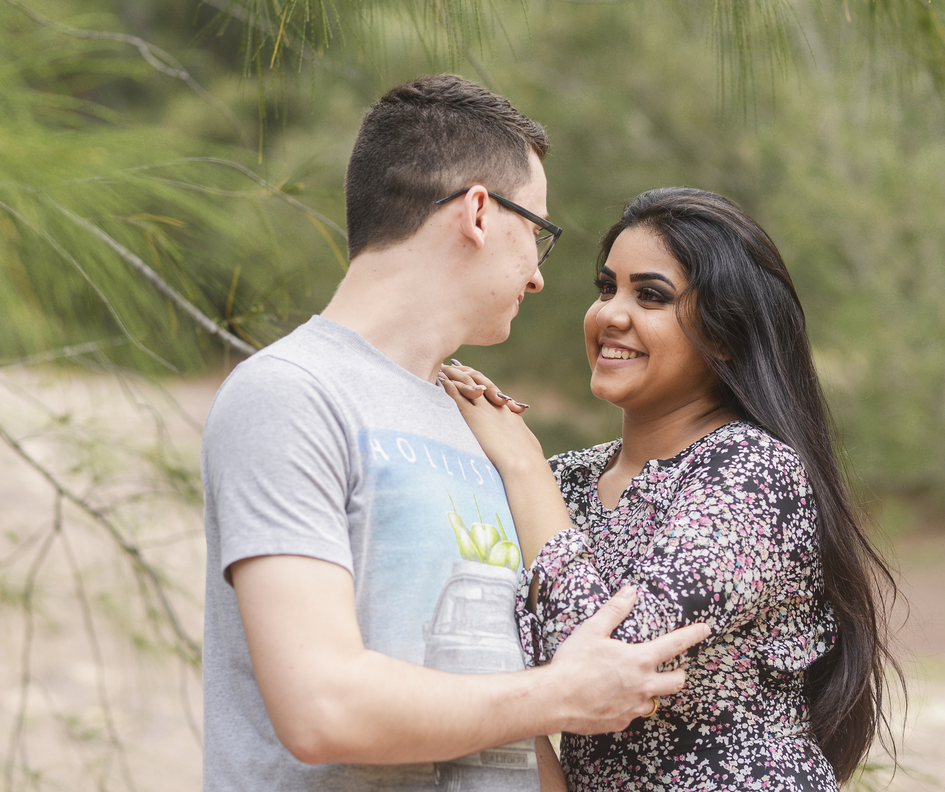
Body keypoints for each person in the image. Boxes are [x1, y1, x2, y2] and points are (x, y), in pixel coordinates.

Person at [200, 78, 708, 792]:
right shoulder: (292, 394)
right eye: (538, 233)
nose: (537, 276)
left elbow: (501, 715)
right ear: (477, 211)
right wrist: (565, 693)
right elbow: (322, 709)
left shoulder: (475, 422)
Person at [439, 187, 904, 791]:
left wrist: (523, 466)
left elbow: (614, 660)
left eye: (650, 295)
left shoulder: (754, 474)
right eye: (607, 287)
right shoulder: (570, 483)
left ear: (724, 335)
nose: (610, 313)